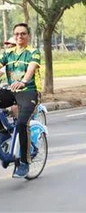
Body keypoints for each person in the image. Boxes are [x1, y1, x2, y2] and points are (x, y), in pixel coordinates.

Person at [0, 23, 41, 178]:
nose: (19, 36)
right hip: (12, 91)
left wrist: (24, 81)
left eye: (23, 34)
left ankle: (24, 162)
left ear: (28, 36)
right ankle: (3, 131)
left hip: (28, 92)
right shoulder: (8, 53)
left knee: (22, 124)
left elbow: (30, 69)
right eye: (16, 34)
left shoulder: (33, 52)